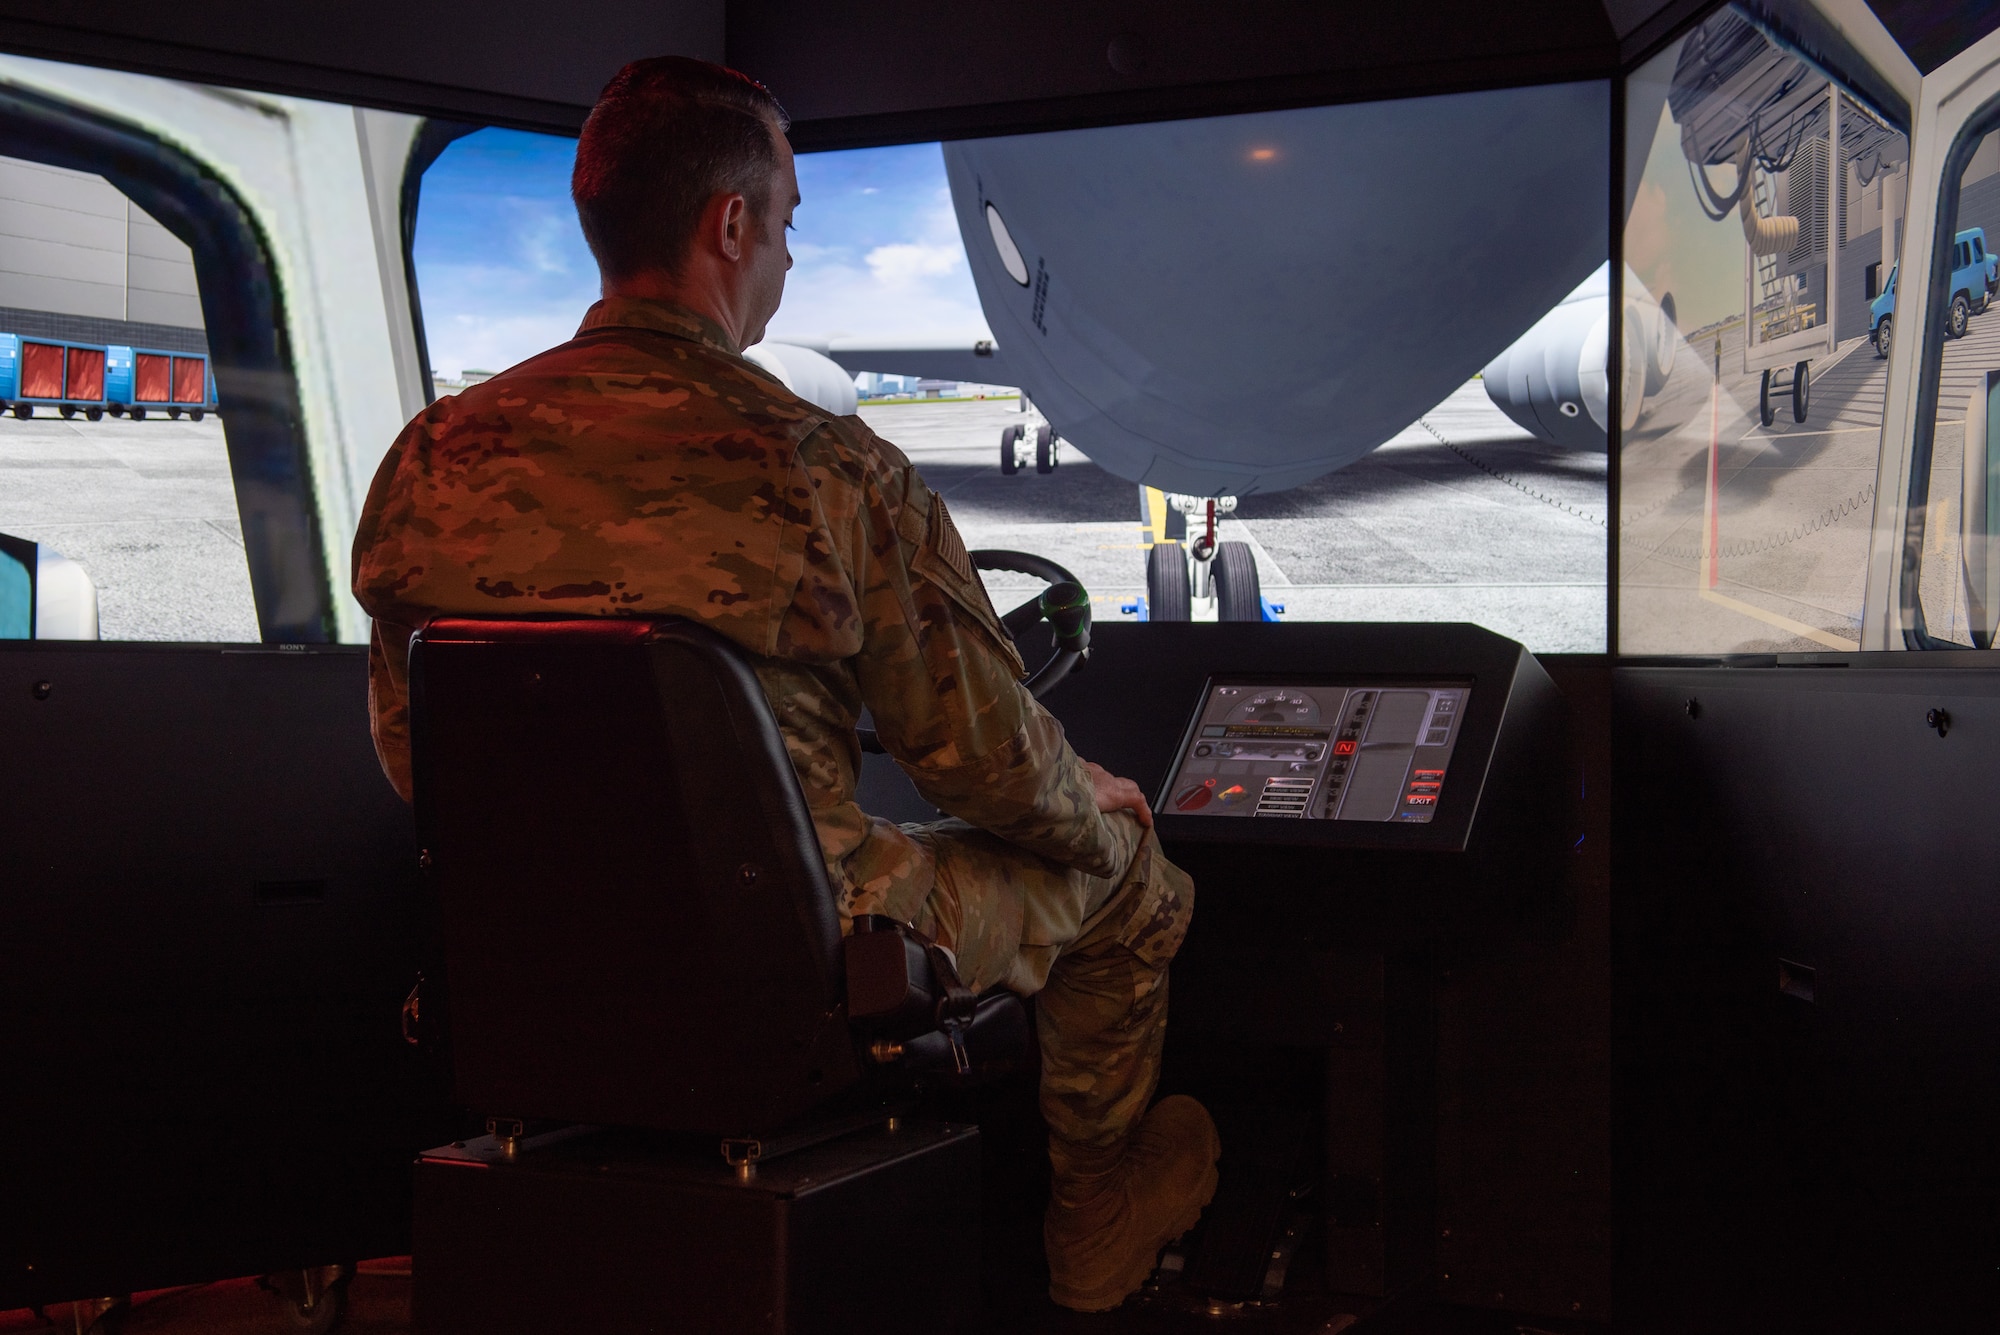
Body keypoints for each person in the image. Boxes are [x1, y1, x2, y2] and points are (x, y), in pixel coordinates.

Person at [351, 56, 1217, 1312]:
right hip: (797, 958)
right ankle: (1093, 1224)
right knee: (1133, 884)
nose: (792, 260)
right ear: (732, 224)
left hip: (530, 970)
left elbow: (410, 755)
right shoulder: (827, 466)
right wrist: (1097, 805)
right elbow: (980, 758)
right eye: (792, 224)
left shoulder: (432, 453)